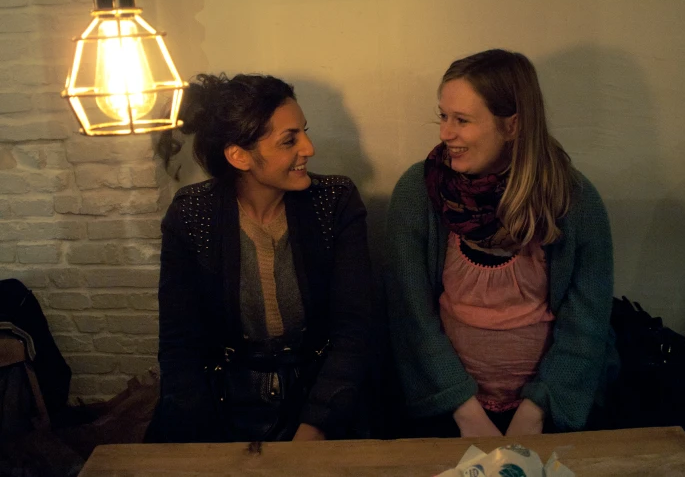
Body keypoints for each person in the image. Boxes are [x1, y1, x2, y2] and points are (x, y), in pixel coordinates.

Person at [385, 49, 619, 438]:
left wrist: (537, 409)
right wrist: (464, 410)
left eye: (462, 120)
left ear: (512, 126)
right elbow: (410, 315)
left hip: (550, 408)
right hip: (446, 406)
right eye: (443, 116)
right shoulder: (420, 191)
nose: (445, 134)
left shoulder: (573, 199)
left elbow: (587, 321)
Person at [147, 73, 373, 443]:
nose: (309, 148)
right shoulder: (192, 215)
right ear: (239, 155)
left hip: (322, 400)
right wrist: (206, 442)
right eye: (290, 140)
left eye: (304, 131)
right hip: (224, 404)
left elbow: (354, 329)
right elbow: (179, 344)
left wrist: (315, 427)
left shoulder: (334, 202)